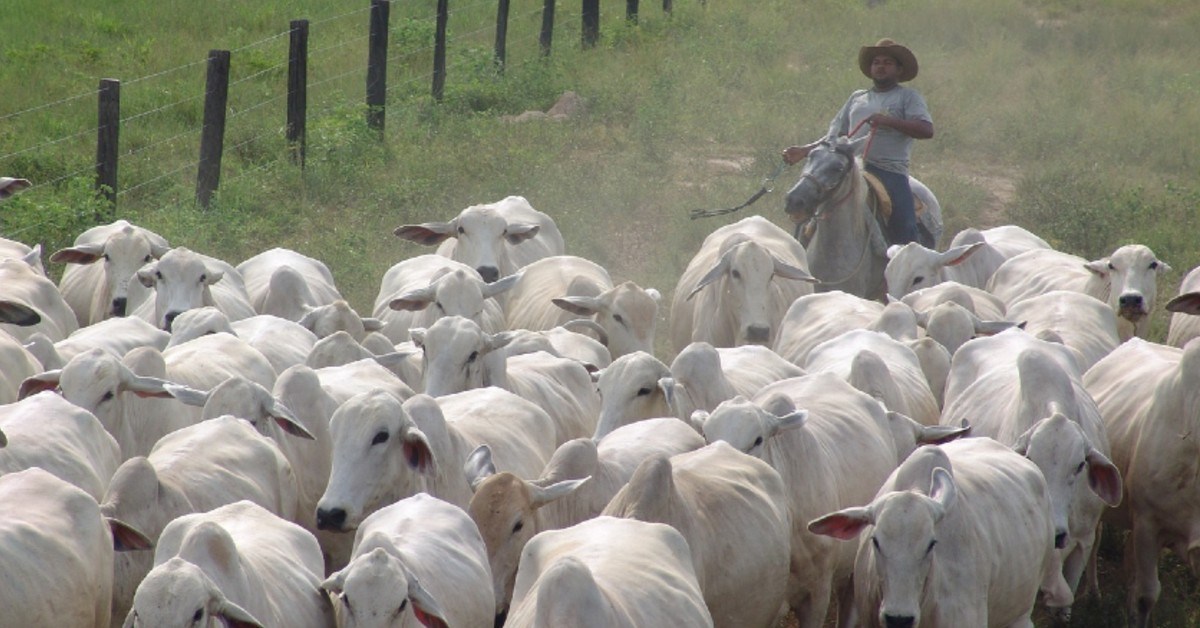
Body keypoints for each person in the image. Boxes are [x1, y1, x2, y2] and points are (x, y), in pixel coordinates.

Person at [782, 38, 933, 245]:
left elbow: (926, 130)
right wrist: (805, 150)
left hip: (889, 171)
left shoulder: (908, 97)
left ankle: (909, 263)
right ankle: (800, 253)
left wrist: (888, 121)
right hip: (849, 167)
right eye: (876, 62)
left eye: (887, 63)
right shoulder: (857, 97)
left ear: (899, 69)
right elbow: (834, 137)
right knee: (808, 197)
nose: (880, 66)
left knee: (904, 223)